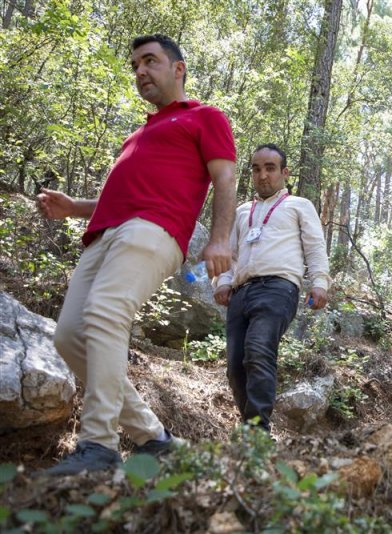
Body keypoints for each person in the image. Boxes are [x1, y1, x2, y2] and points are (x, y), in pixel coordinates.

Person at [36, 34, 237, 475]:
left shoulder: (205, 117)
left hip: (155, 230)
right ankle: (155, 439)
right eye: (136, 66)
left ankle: (99, 446)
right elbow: (119, 198)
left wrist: (221, 237)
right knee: (69, 335)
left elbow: (224, 179)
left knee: (107, 311)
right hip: (104, 234)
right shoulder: (138, 135)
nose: (141, 71)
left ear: (178, 69)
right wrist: (74, 208)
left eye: (150, 61)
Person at [213, 144, 329, 433]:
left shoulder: (299, 206)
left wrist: (319, 283)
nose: (262, 175)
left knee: (258, 349)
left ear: (284, 172)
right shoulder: (242, 211)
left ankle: (257, 433)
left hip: (278, 288)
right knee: (236, 367)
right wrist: (223, 281)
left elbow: (314, 247)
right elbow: (227, 252)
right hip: (241, 292)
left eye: (270, 168)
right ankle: (250, 427)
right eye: (256, 168)